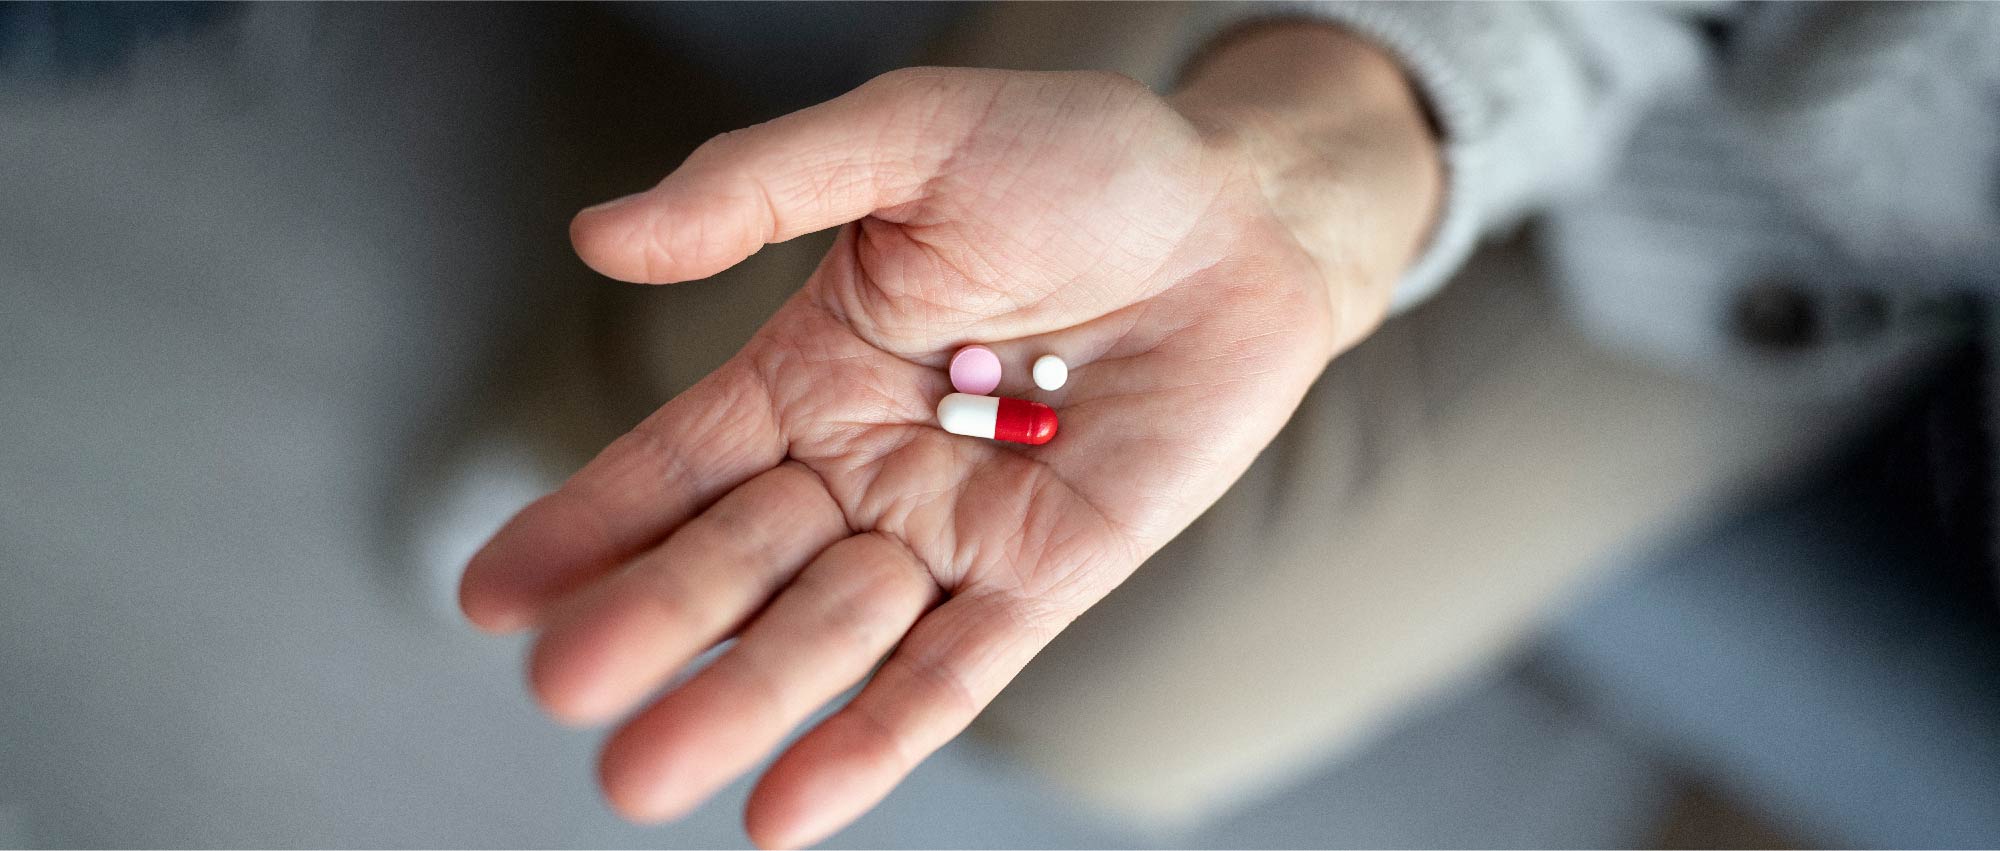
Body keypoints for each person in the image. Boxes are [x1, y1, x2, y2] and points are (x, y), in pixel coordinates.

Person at [456, 3, 2000, 847]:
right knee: (866, 304)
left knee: (1119, 700)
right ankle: (620, 398)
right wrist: (1302, 164)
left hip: (1808, 261)